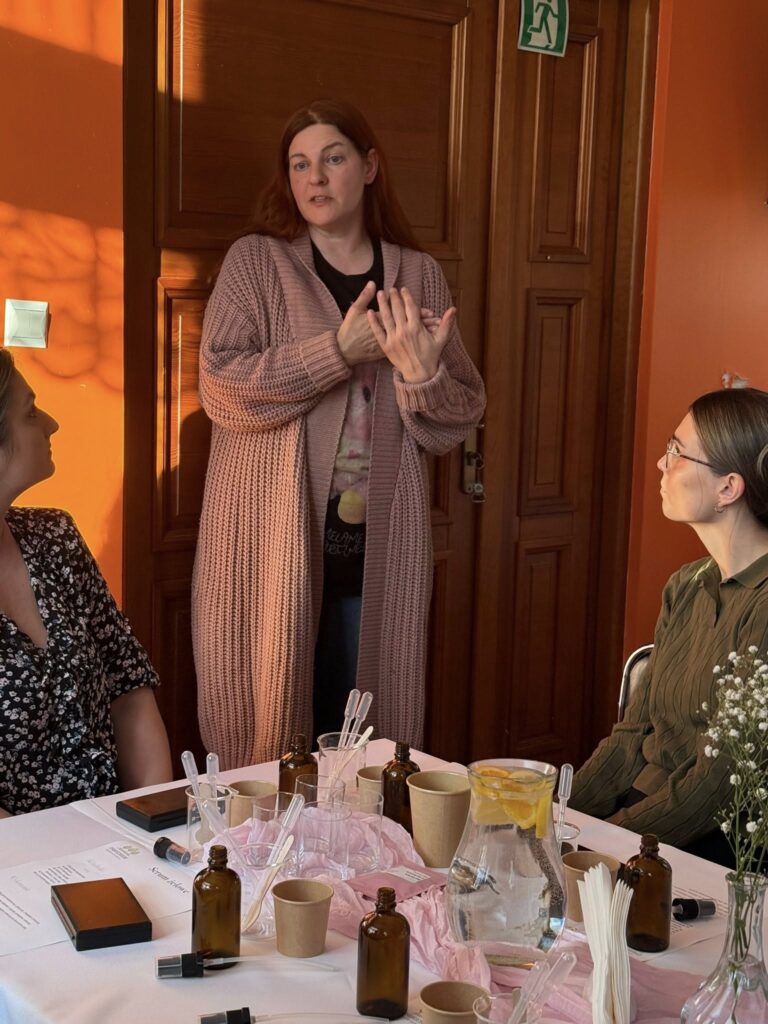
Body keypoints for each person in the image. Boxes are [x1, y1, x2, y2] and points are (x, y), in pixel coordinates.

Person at [193, 99, 485, 769]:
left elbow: (457, 417)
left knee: (363, 755)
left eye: (333, 158)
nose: (315, 178)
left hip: (374, 554)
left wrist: (422, 377)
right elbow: (222, 389)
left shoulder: (418, 275)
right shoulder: (256, 263)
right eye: (299, 165)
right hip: (268, 547)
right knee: (270, 749)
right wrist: (338, 351)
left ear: (370, 166)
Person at [570, 386, 768, 864]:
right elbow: (630, 737)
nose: (662, 463)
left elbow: (716, 785)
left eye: (677, 452)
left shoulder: (763, 608)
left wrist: (602, 843)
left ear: (728, 488)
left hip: (710, 844)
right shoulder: (686, 585)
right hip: (639, 818)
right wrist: (555, 815)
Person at [0, 351, 172, 816]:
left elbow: (128, 688)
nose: (51, 424)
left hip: (113, 836)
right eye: (30, 413)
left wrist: (154, 817)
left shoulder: (55, 537)